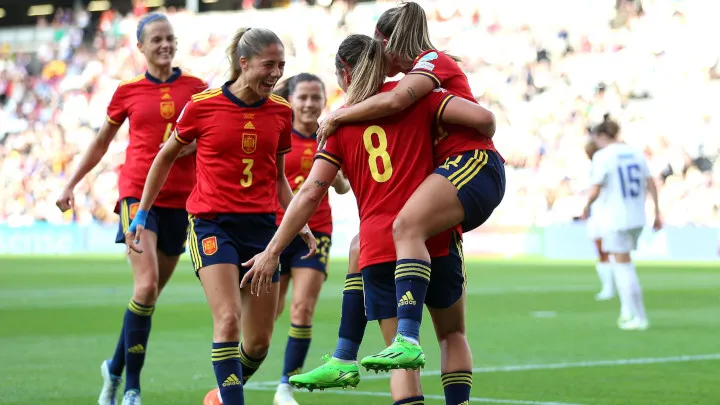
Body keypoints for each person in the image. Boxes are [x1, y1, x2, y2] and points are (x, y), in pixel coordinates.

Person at [243, 33, 495, 405]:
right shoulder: (420, 97)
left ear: (344, 75)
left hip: (379, 247)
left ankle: (345, 355)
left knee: (400, 359)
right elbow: (482, 120)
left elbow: (311, 193)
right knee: (452, 336)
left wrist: (272, 250)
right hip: (437, 238)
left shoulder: (336, 127)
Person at [124, 27, 315, 405]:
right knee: (227, 319)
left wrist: (300, 222)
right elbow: (164, 156)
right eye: (268, 65)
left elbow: (277, 178)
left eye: (281, 66)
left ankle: (220, 394)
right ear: (243, 63)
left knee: (258, 342)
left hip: (262, 228)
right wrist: (142, 212)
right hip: (212, 224)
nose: (276, 74)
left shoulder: (280, 111)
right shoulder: (203, 105)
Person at [316, 1, 505, 371]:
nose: (377, 58)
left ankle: (403, 337)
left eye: (379, 46)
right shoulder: (413, 83)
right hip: (451, 173)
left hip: (471, 164)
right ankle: (344, 355)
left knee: (404, 226)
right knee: (362, 244)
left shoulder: (429, 67)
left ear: (390, 40)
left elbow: (482, 119)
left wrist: (338, 114)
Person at [55, 12, 206, 405]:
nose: (165, 44)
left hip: (182, 201)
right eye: (156, 39)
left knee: (147, 298)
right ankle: (133, 389)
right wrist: (70, 183)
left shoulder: (198, 88)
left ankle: (115, 369)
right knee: (146, 286)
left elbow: (210, 139)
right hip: (137, 196)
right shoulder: (127, 91)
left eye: (169, 38)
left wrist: (186, 147)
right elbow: (102, 142)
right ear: (140, 47)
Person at [582, 115, 662, 331]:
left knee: (623, 266)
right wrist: (657, 211)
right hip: (638, 215)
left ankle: (639, 316)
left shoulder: (604, 156)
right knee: (623, 264)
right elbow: (650, 182)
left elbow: (596, 189)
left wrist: (584, 206)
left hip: (616, 217)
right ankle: (627, 311)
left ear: (600, 136)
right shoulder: (635, 153)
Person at [585, 138, 616, 301]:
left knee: (606, 252)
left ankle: (609, 288)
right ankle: (608, 287)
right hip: (600, 214)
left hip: (603, 214)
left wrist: (586, 206)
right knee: (604, 252)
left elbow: (596, 190)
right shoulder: (595, 166)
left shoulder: (601, 165)